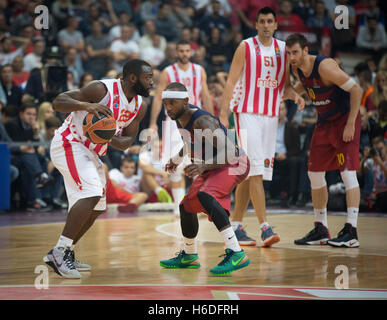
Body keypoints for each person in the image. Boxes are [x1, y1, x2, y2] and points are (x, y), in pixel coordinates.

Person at [43, 59, 154, 278]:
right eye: (148, 77)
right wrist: (86, 106)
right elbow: (58, 102)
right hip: (70, 142)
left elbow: (127, 141)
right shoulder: (101, 89)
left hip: (92, 151)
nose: (152, 82)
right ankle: (58, 252)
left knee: (98, 205)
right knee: (91, 193)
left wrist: (105, 133)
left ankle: (67, 252)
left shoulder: (140, 106)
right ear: (133, 78)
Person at [218, 7, 305, 247]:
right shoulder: (245, 46)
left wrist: (294, 96)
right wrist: (223, 114)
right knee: (255, 170)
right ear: (256, 24)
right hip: (246, 113)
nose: (266, 25)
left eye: (270, 21)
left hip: (270, 116)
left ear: (276, 25)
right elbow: (231, 81)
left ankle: (235, 227)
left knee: (250, 172)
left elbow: (284, 86)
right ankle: (265, 227)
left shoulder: (283, 50)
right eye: (262, 21)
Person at [159, 82, 250, 276]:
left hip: (234, 163)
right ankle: (189, 255)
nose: (168, 108)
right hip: (213, 165)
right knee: (186, 207)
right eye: (165, 103)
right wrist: (177, 159)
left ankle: (236, 252)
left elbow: (228, 152)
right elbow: (189, 140)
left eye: (172, 103)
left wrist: (202, 166)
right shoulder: (178, 117)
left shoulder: (203, 121)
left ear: (185, 101)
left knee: (206, 195)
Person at [286, 33, 363, 248]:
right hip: (325, 121)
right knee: (314, 172)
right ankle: (321, 227)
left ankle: (351, 230)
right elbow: (305, 86)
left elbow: (356, 89)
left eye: (295, 52)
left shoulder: (325, 67)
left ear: (305, 50)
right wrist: (294, 95)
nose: (291, 57)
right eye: (289, 53)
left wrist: (350, 124)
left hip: (345, 119)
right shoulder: (296, 69)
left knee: (347, 173)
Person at [150, 40, 213, 215]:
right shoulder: (168, 72)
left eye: (187, 51)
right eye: (181, 51)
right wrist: (152, 122)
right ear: (176, 52)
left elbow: (205, 95)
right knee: (175, 163)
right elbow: (157, 98)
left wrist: (211, 118)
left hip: (196, 120)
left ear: (191, 53)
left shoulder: (199, 71)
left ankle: (194, 203)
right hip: (173, 122)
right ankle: (179, 206)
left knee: (197, 162)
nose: (184, 54)